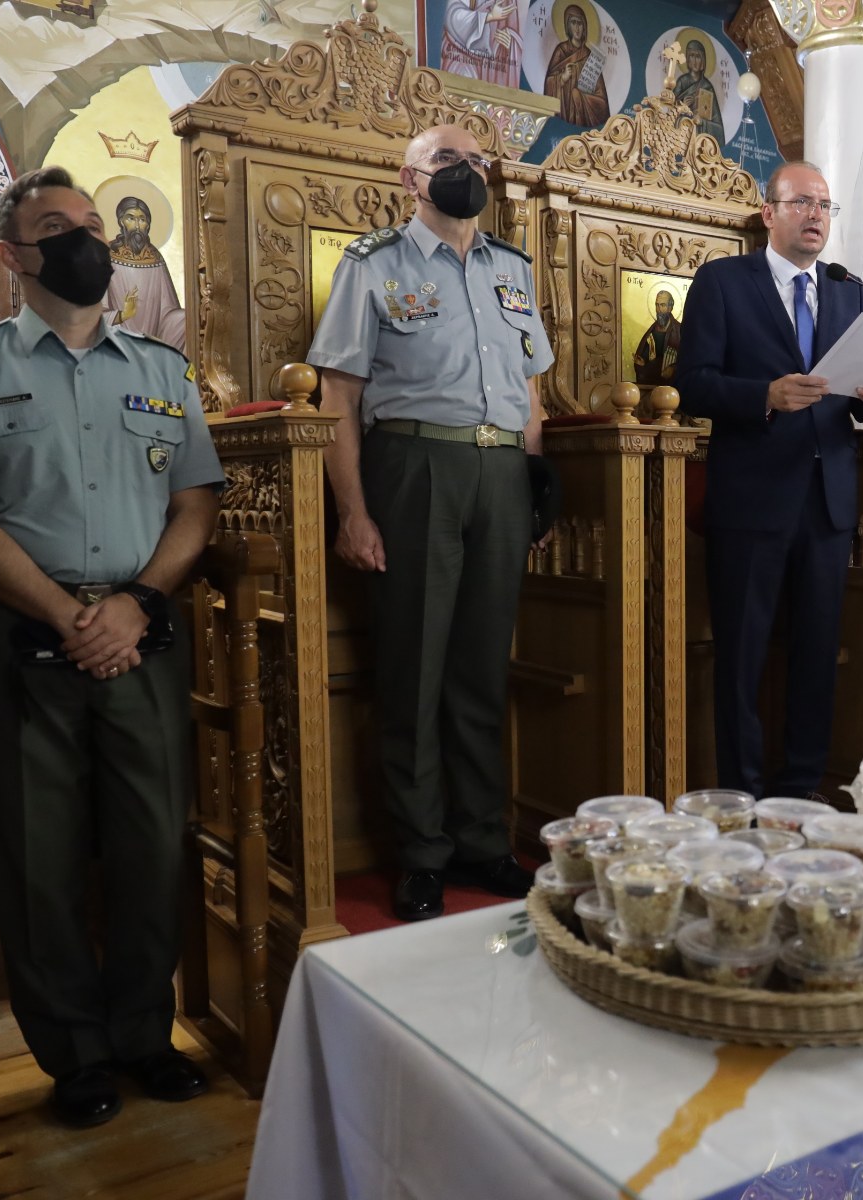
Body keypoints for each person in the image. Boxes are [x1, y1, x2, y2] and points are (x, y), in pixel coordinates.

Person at [0, 166, 224, 1126]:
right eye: (59, 227)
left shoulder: (163, 372)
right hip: (20, 638)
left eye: (93, 224)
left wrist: (136, 601)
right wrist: (66, 614)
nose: (87, 241)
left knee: (149, 845)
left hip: (139, 632)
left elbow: (196, 504)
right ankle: (75, 1055)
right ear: (13, 255)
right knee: (36, 853)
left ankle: (143, 1034)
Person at [311, 125, 550, 920]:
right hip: (413, 467)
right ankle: (421, 852)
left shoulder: (512, 269)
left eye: (477, 160)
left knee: (482, 669)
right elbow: (338, 398)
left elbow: (533, 396)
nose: (467, 172)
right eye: (448, 161)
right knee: (413, 669)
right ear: (410, 179)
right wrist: (353, 511)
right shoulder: (373, 263)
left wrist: (531, 483)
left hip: (498, 476)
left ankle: (483, 840)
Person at [678, 160, 863, 799]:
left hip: (827, 504)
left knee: (815, 660)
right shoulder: (722, 281)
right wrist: (765, 396)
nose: (815, 216)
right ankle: (741, 800)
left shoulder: (845, 290)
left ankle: (800, 794)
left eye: (824, 206)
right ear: (769, 213)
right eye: (801, 203)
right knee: (742, 661)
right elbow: (692, 383)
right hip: (751, 502)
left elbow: (852, 396)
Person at [103, 195, 186, 350]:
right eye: (131, 218)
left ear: (148, 225)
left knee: (187, 319)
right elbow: (92, 315)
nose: (137, 225)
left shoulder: (154, 257)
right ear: (121, 221)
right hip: (118, 341)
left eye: (142, 219)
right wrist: (122, 315)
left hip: (153, 340)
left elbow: (168, 311)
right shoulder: (106, 255)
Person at [543, 3, 612, 127]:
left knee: (576, 93)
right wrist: (562, 79)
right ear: (567, 25)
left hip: (584, 118)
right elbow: (548, 84)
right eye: (573, 22)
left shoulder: (591, 57)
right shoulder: (561, 50)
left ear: (584, 26)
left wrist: (581, 97)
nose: (577, 28)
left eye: (580, 23)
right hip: (563, 116)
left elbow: (602, 100)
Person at [439, 0, 524, 90]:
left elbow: (512, 30)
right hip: (460, 57)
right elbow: (453, 14)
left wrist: (509, 44)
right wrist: (489, 16)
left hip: (492, 67)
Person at [673, 37, 725, 147]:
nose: (695, 61)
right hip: (681, 139)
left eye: (698, 57)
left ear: (703, 60)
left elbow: (718, 126)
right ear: (687, 58)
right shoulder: (682, 82)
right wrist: (683, 106)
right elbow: (670, 112)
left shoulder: (707, 87)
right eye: (692, 56)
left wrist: (702, 122)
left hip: (700, 142)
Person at [633, 288, 682, 388]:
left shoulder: (679, 331)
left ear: (670, 307)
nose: (659, 309)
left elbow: (689, 360)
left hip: (672, 389)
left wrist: (674, 368)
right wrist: (640, 363)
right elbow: (643, 358)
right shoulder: (651, 331)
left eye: (663, 305)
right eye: (657, 305)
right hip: (651, 384)